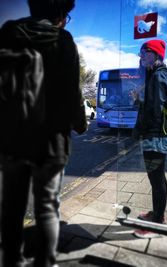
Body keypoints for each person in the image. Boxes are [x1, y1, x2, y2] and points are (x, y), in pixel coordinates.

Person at [0, 1, 87, 266]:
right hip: (51, 142)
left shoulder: (9, 32)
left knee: (11, 206)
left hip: (12, 138)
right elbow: (73, 91)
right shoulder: (62, 40)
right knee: (47, 207)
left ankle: (12, 260)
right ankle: (45, 262)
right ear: (61, 15)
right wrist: (80, 123)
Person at [133, 39, 167, 238]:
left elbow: (154, 112)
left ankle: (157, 222)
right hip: (157, 135)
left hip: (156, 136)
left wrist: (140, 130)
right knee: (156, 177)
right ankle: (158, 214)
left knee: (156, 179)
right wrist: (139, 98)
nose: (141, 57)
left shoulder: (159, 77)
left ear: (156, 55)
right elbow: (153, 105)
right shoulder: (157, 76)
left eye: (144, 53)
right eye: (140, 53)